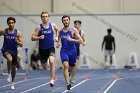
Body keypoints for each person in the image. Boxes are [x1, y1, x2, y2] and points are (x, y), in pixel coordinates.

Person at [31, 11, 59, 87]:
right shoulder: (39, 27)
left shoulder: (52, 25)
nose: (45, 18)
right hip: (42, 50)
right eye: (43, 16)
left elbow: (58, 30)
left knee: (52, 61)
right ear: (41, 18)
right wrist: (38, 37)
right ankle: (51, 71)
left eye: (46, 16)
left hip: (51, 48)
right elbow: (32, 38)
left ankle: (52, 79)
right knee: (44, 66)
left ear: (48, 17)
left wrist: (56, 37)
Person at [56, 15, 83, 90]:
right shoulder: (60, 31)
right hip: (64, 51)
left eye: (67, 20)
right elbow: (59, 38)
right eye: (64, 20)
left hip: (73, 52)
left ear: (69, 21)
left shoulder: (73, 30)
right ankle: (68, 83)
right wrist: (58, 43)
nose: (66, 21)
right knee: (65, 65)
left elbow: (81, 41)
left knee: (71, 67)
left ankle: (69, 74)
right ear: (62, 22)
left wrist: (72, 40)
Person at [0, 17, 23, 89]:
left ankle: (12, 82)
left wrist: (17, 41)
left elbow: (21, 44)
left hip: (14, 51)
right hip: (5, 50)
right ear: (7, 23)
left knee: (14, 68)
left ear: (14, 23)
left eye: (12, 23)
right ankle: (8, 73)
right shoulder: (4, 31)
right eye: (9, 23)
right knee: (9, 59)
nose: (11, 24)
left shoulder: (18, 33)